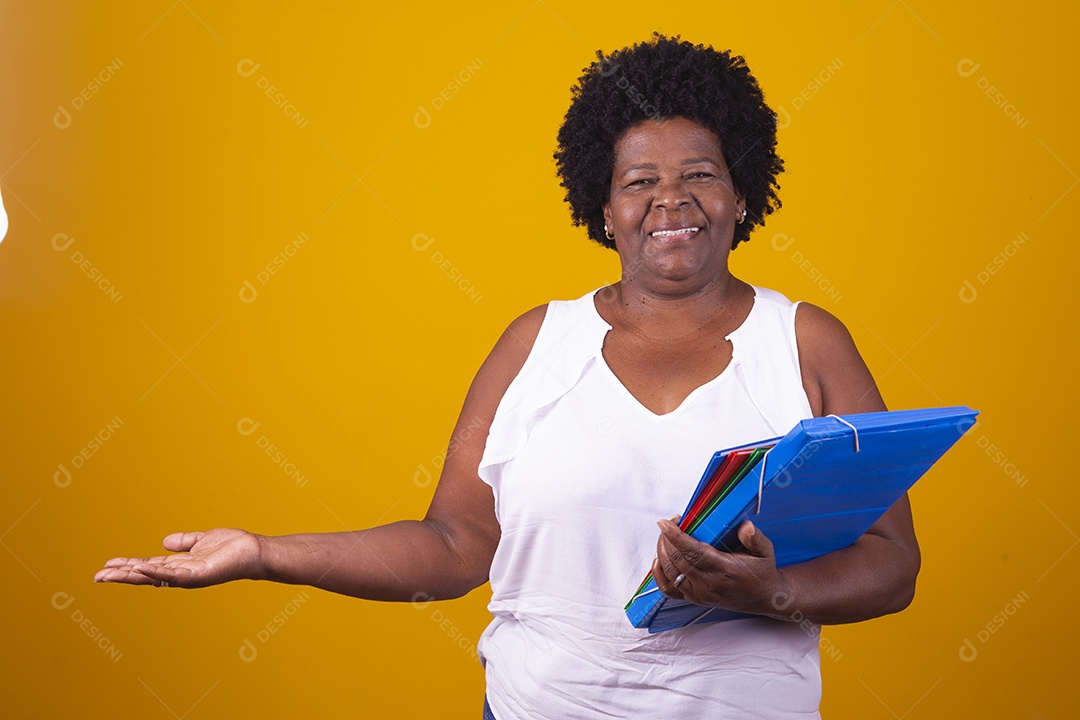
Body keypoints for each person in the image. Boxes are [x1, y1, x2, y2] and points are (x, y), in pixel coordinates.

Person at [96, 35, 920, 719]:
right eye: (639, 181)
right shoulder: (537, 344)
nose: (673, 200)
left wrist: (768, 592)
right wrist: (265, 553)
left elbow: (892, 563)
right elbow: (455, 545)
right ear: (602, 209)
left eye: (700, 173)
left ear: (742, 193)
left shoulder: (805, 343)